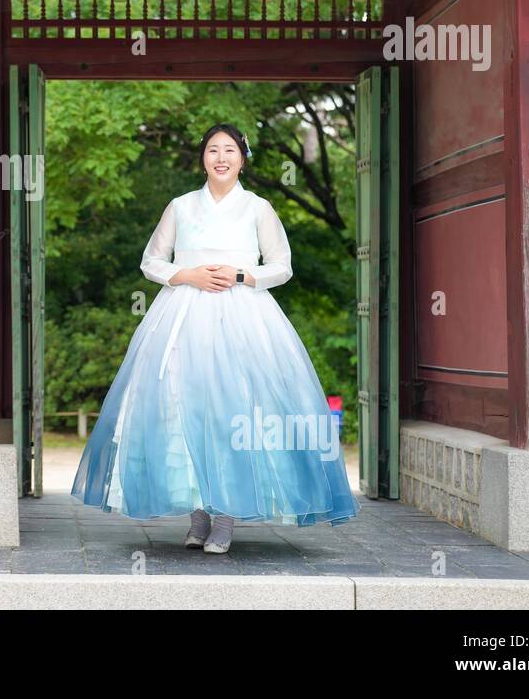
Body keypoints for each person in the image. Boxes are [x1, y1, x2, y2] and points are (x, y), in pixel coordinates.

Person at [71, 123, 360, 553]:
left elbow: (282, 266)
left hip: (243, 315)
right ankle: (198, 516)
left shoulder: (258, 208)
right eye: (212, 150)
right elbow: (151, 260)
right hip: (183, 315)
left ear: (242, 159)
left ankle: (225, 519)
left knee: (234, 414)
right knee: (184, 411)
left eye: (229, 150)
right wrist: (185, 274)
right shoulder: (181, 207)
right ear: (202, 158)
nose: (220, 157)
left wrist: (243, 274)